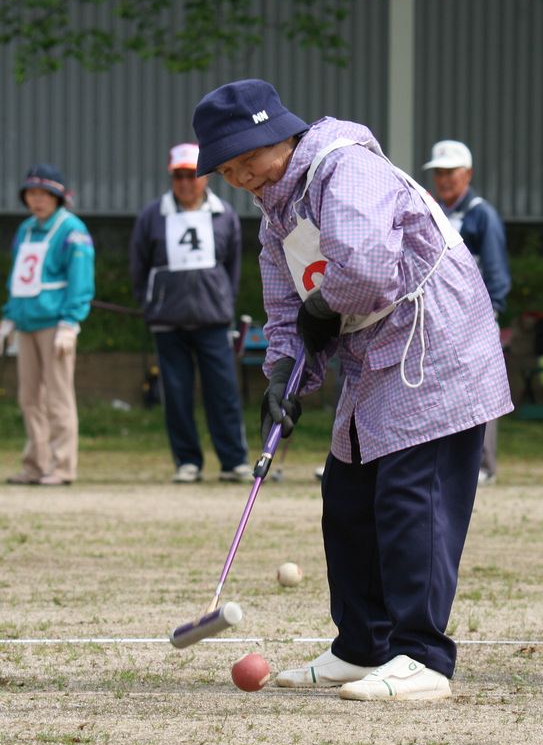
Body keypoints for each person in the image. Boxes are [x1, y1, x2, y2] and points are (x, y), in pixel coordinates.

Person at [191, 79, 511, 702]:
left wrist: (319, 310)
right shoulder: (276, 213)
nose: (242, 178)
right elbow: (288, 312)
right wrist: (285, 378)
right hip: (374, 358)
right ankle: (362, 645)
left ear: (277, 135)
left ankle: (421, 657)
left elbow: (365, 270)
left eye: (247, 159)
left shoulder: (344, 168)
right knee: (347, 496)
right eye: (227, 170)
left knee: (409, 496)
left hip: (435, 349)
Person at [129, 143, 251, 484]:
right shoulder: (152, 216)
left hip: (213, 320)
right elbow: (139, 266)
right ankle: (187, 461)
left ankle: (233, 460)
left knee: (223, 391)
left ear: (205, 177)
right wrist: (150, 303)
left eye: (192, 174)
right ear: (171, 176)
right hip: (167, 322)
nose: (186, 182)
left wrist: (223, 302)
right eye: (179, 175)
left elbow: (233, 267)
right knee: (176, 394)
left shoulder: (224, 214)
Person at [423, 140, 511, 485]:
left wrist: (491, 313)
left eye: (450, 172)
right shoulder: (431, 210)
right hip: (438, 321)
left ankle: (483, 466)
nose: (443, 180)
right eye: (438, 173)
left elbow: (497, 272)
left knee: (480, 391)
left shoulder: (481, 215)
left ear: (468, 174)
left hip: (475, 321)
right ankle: (446, 463)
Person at [1, 164, 95, 486]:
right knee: (28, 397)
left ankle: (62, 466)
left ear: (58, 197)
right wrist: (9, 315)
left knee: (57, 396)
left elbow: (80, 280)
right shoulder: (26, 229)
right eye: (31, 193)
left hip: (55, 324)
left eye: (44, 194)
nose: (37, 200)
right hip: (26, 323)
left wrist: (71, 321)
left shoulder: (72, 230)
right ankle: (35, 464)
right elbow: (20, 277)